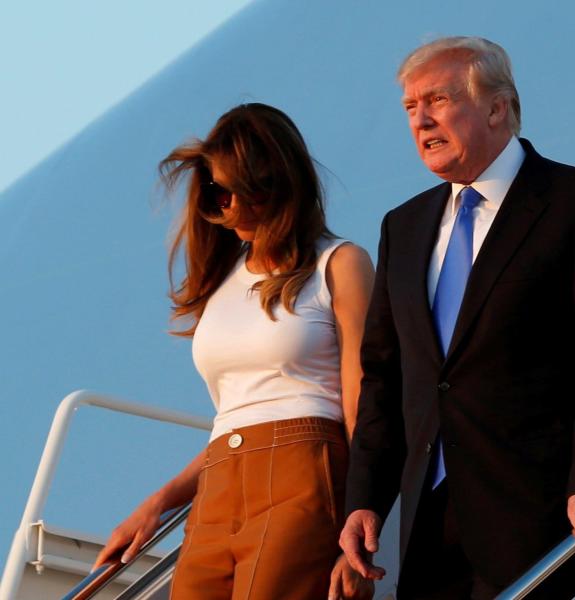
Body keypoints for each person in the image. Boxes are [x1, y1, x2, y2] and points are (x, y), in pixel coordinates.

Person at [339, 37, 575, 599]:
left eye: (439, 100)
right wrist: (365, 498)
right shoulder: (403, 226)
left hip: (552, 513)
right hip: (433, 531)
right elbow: (385, 379)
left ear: (498, 107)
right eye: (410, 108)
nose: (420, 119)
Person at [92, 103, 375, 600]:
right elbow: (238, 420)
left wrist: (361, 527)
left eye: (231, 192)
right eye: (213, 194)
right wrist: (160, 500)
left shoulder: (340, 264)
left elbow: (360, 404)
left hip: (305, 473)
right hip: (219, 485)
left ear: (273, 184)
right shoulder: (221, 282)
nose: (224, 209)